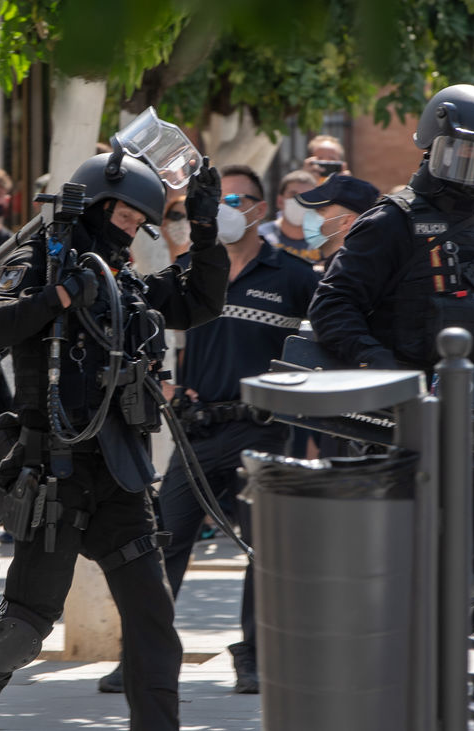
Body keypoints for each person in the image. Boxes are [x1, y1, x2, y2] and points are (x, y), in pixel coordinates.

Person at [0, 151, 230, 731]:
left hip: (120, 477)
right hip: (54, 476)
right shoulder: (41, 262)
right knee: (23, 625)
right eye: (124, 217)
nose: (130, 230)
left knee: (153, 618)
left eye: (139, 223)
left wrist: (205, 231)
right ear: (94, 204)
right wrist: (59, 297)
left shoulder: (124, 281)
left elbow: (199, 301)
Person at [309, 84, 474, 636]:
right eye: (469, 154)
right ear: (436, 148)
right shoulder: (391, 223)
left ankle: (438, 668)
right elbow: (333, 306)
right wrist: (389, 375)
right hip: (402, 434)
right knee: (404, 587)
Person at [110, 164, 320, 696]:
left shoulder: (294, 276)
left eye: (235, 200)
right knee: (163, 542)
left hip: (263, 431)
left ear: (260, 209)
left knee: (265, 550)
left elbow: (321, 347)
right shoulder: (192, 267)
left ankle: (255, 658)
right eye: (216, 199)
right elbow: (157, 330)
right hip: (198, 430)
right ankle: (140, 656)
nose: (223, 209)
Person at [294, 173, 380, 272]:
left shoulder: (352, 273)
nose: (310, 215)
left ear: (346, 222)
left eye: (321, 210)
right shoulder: (343, 267)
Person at [258, 169, 318, 260]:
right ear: (280, 201)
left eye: (307, 197)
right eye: (294, 195)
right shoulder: (261, 238)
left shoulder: (326, 242)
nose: (300, 202)